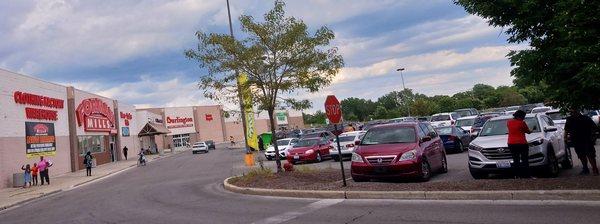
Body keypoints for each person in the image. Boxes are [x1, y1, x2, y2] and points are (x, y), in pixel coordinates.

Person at [565, 109, 599, 175]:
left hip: (586, 140)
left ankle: (594, 169)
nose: (573, 113)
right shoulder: (570, 119)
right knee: (582, 155)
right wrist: (565, 138)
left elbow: (594, 128)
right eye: (572, 112)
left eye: (574, 111)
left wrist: (593, 136)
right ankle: (586, 169)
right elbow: (566, 129)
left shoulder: (586, 118)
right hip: (577, 140)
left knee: (590, 155)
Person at [507, 110, 532, 178]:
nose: (524, 118)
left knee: (516, 160)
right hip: (521, 143)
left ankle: (517, 175)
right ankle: (527, 175)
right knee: (525, 159)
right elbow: (528, 131)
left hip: (511, 143)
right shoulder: (522, 123)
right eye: (523, 116)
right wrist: (532, 130)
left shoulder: (509, 122)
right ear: (520, 116)